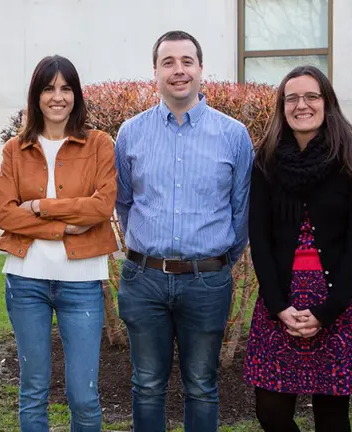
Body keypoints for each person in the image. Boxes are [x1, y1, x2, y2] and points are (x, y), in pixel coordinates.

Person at [114, 30, 254, 431]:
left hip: (207, 281)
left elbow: (240, 211)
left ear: (201, 69)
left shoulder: (234, 136)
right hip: (144, 280)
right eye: (169, 62)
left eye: (187, 61)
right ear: (155, 71)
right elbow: (124, 203)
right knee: (146, 385)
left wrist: (217, 261)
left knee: (202, 387)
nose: (179, 71)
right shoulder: (130, 134)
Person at [243, 65, 352, 432]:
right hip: (281, 300)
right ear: (282, 107)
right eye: (291, 98)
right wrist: (278, 306)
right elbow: (258, 237)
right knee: (271, 412)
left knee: (332, 417)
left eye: (311, 96)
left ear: (327, 103)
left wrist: (327, 311)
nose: (301, 105)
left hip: (337, 302)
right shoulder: (266, 162)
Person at [0, 54, 118, 432]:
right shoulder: (14, 149)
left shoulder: (98, 144)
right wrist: (63, 227)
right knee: (33, 389)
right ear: (36, 95)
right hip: (25, 280)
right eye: (49, 88)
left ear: (76, 95)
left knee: (83, 393)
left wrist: (41, 207)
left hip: (81, 282)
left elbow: (101, 207)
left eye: (66, 88)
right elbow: (5, 215)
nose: (57, 97)